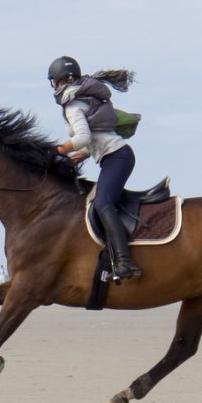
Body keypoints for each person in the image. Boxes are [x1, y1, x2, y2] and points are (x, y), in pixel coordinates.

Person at [48, 55, 142, 280]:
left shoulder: (72, 105)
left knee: (102, 202)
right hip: (116, 156)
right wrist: (72, 159)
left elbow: (82, 137)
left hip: (117, 157)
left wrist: (55, 151)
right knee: (100, 201)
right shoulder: (87, 99)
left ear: (58, 81)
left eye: (52, 81)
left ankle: (124, 262)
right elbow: (94, 143)